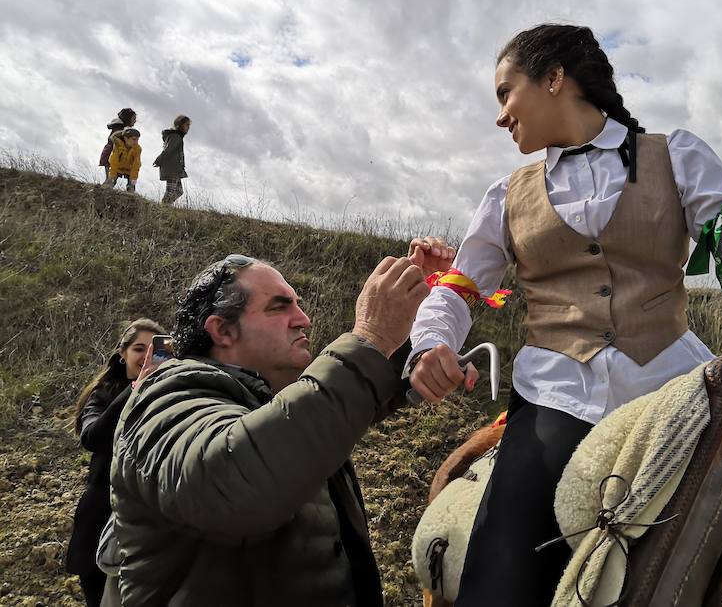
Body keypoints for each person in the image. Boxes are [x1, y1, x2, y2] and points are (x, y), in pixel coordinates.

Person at [407, 23, 722, 605]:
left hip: (675, 393)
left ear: (554, 78)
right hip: (556, 398)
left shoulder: (677, 157)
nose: (500, 115)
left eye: (506, 92)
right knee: (500, 578)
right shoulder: (505, 196)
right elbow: (459, 288)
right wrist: (431, 342)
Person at [109, 240, 459, 606]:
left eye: (297, 304)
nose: (303, 318)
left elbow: (326, 409)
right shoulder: (165, 398)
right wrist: (372, 337)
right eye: (279, 307)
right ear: (222, 330)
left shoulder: (266, 399)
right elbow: (234, 481)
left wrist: (420, 320)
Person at [65, 318, 167, 607]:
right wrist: (135, 389)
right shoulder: (104, 392)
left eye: (154, 350)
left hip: (151, 519)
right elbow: (92, 437)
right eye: (139, 348)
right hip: (101, 516)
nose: (146, 356)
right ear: (123, 353)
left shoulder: (170, 393)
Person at [153, 115, 190, 204]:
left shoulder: (177, 137)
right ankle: (163, 206)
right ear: (179, 125)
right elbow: (168, 150)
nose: (188, 127)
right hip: (172, 168)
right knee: (170, 192)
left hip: (175, 169)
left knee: (179, 191)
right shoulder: (176, 137)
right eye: (186, 124)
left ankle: (166, 205)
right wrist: (158, 160)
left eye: (189, 125)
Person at [99, 109, 137, 179]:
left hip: (117, 156)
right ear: (127, 118)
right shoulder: (120, 129)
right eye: (133, 118)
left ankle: (108, 183)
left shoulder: (122, 128)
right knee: (112, 178)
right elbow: (115, 140)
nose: (135, 121)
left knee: (112, 179)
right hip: (112, 155)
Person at [103, 128, 142, 192]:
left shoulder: (137, 149)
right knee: (110, 183)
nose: (136, 142)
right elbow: (113, 161)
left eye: (137, 140)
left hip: (129, 170)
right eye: (134, 139)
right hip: (117, 168)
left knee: (131, 186)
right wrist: (112, 175)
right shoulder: (117, 146)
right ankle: (104, 191)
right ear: (126, 138)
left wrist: (133, 179)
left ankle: (131, 195)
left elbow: (136, 164)